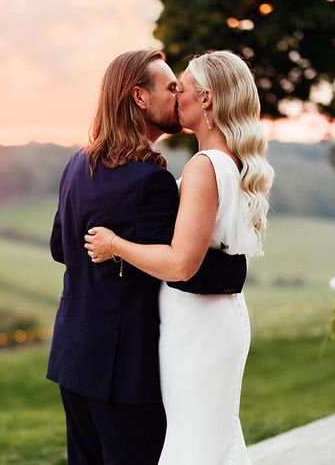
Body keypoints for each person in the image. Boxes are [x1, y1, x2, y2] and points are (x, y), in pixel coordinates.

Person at [47, 49, 247, 465]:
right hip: (125, 370)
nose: (179, 95)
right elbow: (183, 269)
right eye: (171, 87)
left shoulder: (76, 164)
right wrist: (236, 267)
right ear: (139, 97)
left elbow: (61, 248)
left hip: (73, 355)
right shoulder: (151, 181)